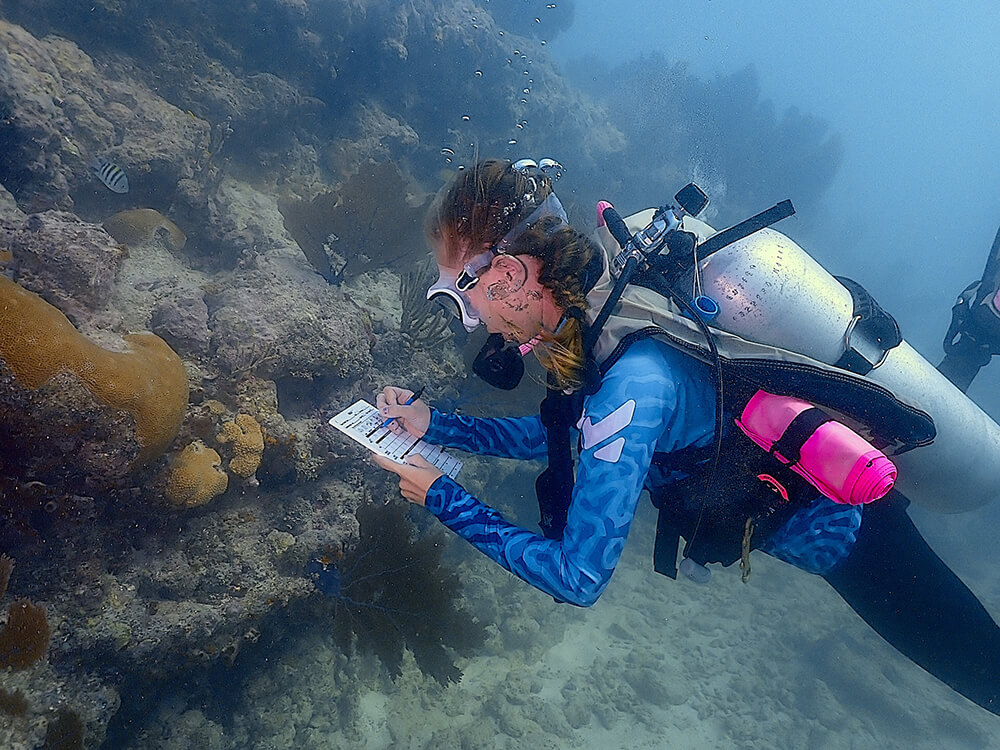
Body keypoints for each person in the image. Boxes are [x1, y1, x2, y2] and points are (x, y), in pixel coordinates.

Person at [370, 158, 1000, 716]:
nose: (469, 318)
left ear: (505, 274)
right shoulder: (602, 310)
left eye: (460, 296)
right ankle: (974, 343)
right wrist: (436, 427)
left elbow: (576, 577)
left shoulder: (628, 382)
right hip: (828, 476)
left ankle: (976, 341)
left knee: (985, 674)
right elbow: (564, 434)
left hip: (854, 537)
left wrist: (441, 498)